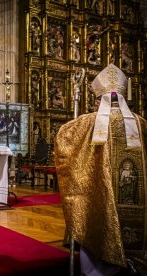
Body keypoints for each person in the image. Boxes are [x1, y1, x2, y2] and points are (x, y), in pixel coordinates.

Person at [54, 64, 147, 275]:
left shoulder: (87, 123)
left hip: (101, 199)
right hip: (137, 199)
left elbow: (63, 140)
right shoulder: (141, 124)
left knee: (96, 218)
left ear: (99, 99)